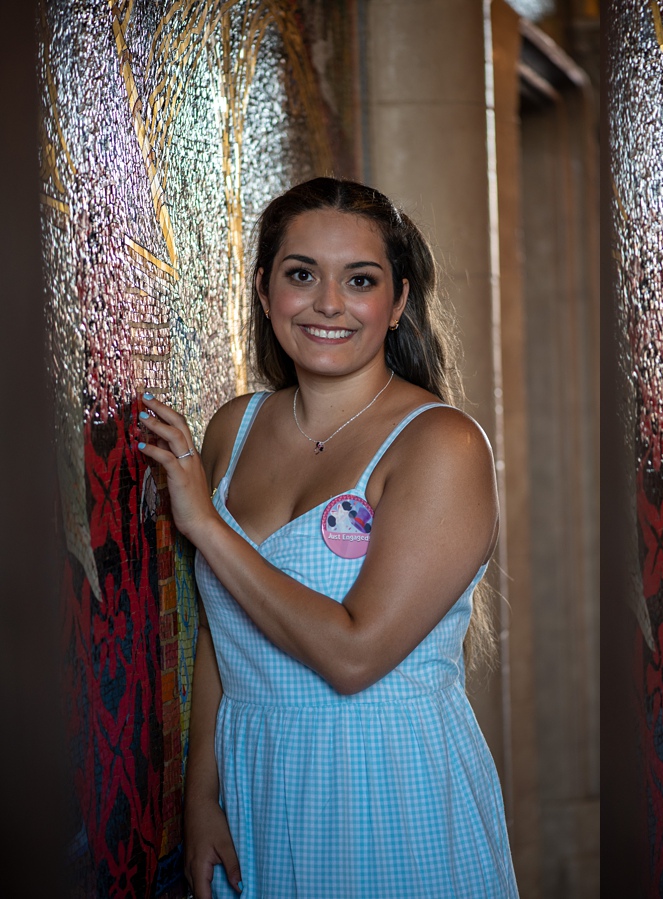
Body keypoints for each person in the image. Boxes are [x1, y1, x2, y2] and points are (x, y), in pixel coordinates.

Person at [136, 177, 519, 899]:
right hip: (255, 781)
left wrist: (207, 525)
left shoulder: (441, 442)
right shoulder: (234, 428)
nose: (328, 304)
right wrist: (200, 797)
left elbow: (353, 654)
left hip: (384, 783)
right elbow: (226, 625)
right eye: (302, 274)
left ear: (398, 302)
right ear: (263, 287)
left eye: (361, 280)